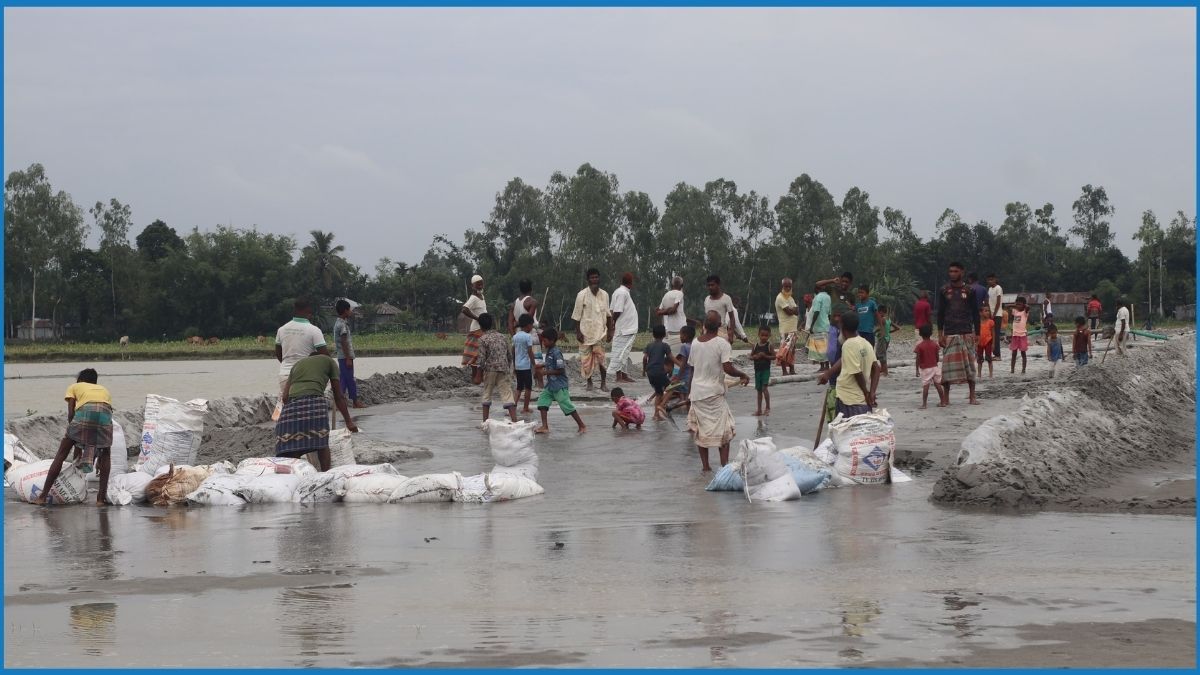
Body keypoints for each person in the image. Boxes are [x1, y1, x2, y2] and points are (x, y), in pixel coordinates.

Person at [32, 369, 113, 506]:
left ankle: (42, 496)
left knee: (61, 454)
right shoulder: (103, 389)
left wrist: (72, 435)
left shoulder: (74, 387)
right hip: (105, 415)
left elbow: (71, 413)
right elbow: (104, 412)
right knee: (106, 454)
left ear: (80, 379)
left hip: (85, 412)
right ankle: (100, 499)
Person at [686, 311, 750, 472]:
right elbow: (727, 368)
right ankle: (724, 467)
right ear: (720, 325)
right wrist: (742, 374)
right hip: (714, 394)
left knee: (701, 432)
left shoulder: (695, 343)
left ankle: (706, 467)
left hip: (698, 393)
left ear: (704, 325)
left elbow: (691, 370)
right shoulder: (723, 344)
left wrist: (689, 392)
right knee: (725, 431)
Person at [275, 350, 358, 472]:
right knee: (322, 443)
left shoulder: (297, 365)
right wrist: (349, 422)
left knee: (292, 448)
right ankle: (325, 475)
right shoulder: (329, 361)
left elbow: (285, 397)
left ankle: (292, 478)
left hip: (291, 408)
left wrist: (294, 413)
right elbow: (338, 395)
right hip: (315, 402)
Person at [275, 298, 330, 417]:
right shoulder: (314, 330)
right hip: (306, 378)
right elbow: (325, 357)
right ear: (308, 310)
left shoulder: (282, 330)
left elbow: (279, 355)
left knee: (290, 412)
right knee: (306, 413)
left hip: (284, 375)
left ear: (295, 310)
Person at [823, 312, 880, 419]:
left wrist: (867, 392)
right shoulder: (865, 343)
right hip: (862, 402)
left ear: (842, 326)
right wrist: (872, 392)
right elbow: (876, 368)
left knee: (846, 432)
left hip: (849, 400)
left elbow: (856, 372)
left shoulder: (848, 345)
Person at [939, 262, 981, 405]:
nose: (952, 274)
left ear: (962, 272)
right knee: (946, 367)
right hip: (949, 332)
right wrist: (940, 334)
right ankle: (946, 398)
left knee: (970, 365)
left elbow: (976, 312)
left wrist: (978, 333)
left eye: (955, 271)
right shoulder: (944, 290)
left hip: (966, 331)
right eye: (950, 271)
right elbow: (940, 313)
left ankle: (972, 396)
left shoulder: (970, 291)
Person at [534, 327, 586, 434]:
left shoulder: (557, 353)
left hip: (559, 386)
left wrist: (545, 372)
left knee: (566, 405)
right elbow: (549, 364)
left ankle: (582, 425)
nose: (543, 343)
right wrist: (542, 365)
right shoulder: (549, 352)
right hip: (550, 386)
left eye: (545, 341)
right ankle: (545, 426)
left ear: (552, 340)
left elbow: (560, 370)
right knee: (542, 402)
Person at [572, 268, 612, 391]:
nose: (595, 279)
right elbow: (576, 316)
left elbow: (608, 314)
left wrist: (611, 331)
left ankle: (603, 383)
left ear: (599, 278)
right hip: (585, 333)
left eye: (596, 277)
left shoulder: (604, 294)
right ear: (588, 279)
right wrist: (578, 332)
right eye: (592, 277)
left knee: (601, 359)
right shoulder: (581, 295)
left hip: (600, 333)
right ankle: (589, 382)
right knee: (586, 360)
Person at [473, 313, 518, 424]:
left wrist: (478, 374)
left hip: (490, 370)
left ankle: (485, 422)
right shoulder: (502, 336)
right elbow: (509, 355)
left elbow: (481, 359)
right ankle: (515, 421)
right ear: (492, 324)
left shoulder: (482, 339)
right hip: (503, 369)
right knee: (507, 394)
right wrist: (509, 368)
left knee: (487, 394)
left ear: (480, 326)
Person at [333, 299, 365, 409]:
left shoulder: (339, 323)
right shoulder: (342, 325)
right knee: (349, 379)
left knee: (344, 379)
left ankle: (340, 401)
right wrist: (348, 358)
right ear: (345, 311)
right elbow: (344, 342)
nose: (351, 312)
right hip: (345, 356)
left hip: (342, 356)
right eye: (350, 310)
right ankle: (354, 402)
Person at [607, 272, 639, 384]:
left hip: (627, 328)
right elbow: (617, 310)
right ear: (630, 283)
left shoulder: (620, 292)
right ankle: (618, 377)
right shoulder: (622, 293)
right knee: (619, 353)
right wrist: (613, 323)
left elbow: (611, 309)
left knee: (624, 353)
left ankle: (624, 375)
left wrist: (612, 322)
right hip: (623, 329)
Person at [642, 325, 673, 421]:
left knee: (659, 393)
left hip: (650, 372)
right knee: (671, 388)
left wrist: (644, 370)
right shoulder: (665, 346)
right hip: (659, 371)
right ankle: (661, 405)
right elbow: (671, 358)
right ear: (664, 334)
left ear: (653, 334)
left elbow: (644, 358)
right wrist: (680, 364)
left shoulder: (649, 345)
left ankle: (656, 415)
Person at [914, 325, 948, 409]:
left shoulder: (919, 346)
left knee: (926, 386)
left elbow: (917, 359)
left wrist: (917, 370)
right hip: (935, 367)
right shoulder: (934, 344)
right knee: (938, 385)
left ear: (920, 334)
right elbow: (937, 357)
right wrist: (935, 362)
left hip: (926, 368)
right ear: (931, 333)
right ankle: (943, 401)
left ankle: (924, 404)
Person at [460, 275, 488, 377]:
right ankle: (474, 376)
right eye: (478, 284)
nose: (480, 286)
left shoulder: (481, 296)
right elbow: (464, 309)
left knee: (480, 354)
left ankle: (478, 376)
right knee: (476, 354)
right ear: (473, 286)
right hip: (477, 329)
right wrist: (478, 318)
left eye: (481, 284)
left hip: (483, 328)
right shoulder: (473, 298)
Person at [665, 324, 696, 414]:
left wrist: (678, 378)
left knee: (677, 392)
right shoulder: (695, 345)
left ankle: (681, 410)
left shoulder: (684, 347)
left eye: (681, 335)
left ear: (685, 336)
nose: (680, 337)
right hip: (692, 376)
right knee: (687, 395)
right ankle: (687, 411)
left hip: (685, 377)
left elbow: (683, 365)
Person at [774, 278, 800, 376]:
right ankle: (784, 371)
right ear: (782, 286)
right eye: (786, 286)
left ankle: (792, 369)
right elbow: (789, 312)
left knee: (792, 350)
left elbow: (797, 312)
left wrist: (792, 309)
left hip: (793, 329)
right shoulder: (780, 298)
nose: (788, 288)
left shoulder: (790, 298)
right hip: (785, 328)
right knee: (784, 350)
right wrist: (792, 309)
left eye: (789, 286)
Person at [512, 314, 537, 414]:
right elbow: (530, 352)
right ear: (528, 325)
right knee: (528, 388)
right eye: (531, 325)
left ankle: (513, 406)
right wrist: (534, 364)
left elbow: (513, 351)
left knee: (519, 387)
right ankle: (525, 408)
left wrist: (514, 366)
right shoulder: (528, 337)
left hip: (518, 366)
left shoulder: (515, 336)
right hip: (526, 366)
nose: (532, 327)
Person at [702, 275, 738, 343]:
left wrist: (731, 333)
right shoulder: (706, 299)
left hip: (721, 332)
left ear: (718, 285)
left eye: (712, 285)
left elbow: (732, 318)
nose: (710, 287)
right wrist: (702, 331)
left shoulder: (726, 298)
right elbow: (706, 317)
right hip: (707, 332)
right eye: (708, 285)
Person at [656, 276, 687, 352]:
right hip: (680, 330)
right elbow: (673, 310)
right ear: (682, 286)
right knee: (682, 354)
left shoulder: (666, 295)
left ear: (671, 285)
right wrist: (670, 310)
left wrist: (664, 311)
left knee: (669, 355)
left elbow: (658, 311)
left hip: (669, 330)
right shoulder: (680, 293)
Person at [750, 325, 775, 416]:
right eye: (762, 335)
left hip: (765, 370)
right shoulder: (755, 345)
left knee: (764, 388)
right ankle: (759, 410)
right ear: (758, 335)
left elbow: (774, 357)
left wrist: (765, 356)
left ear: (769, 336)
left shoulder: (769, 345)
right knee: (759, 390)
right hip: (757, 371)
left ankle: (767, 407)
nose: (764, 337)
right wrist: (755, 357)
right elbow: (750, 356)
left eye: (766, 336)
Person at [806, 283, 832, 369]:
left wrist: (812, 325)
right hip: (826, 326)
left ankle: (822, 367)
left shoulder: (817, 298)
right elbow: (829, 314)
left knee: (819, 348)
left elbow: (816, 311)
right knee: (826, 348)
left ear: (817, 289)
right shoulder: (828, 297)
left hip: (819, 326)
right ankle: (827, 366)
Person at [1009, 296, 1030, 374]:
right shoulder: (1014, 311)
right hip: (1015, 335)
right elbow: (1012, 318)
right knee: (1014, 353)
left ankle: (1023, 369)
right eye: (1016, 304)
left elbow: (1028, 307)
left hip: (1022, 335)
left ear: (1024, 305)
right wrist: (1015, 306)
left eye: (1020, 304)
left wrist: (1019, 305)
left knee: (1023, 353)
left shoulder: (1025, 312)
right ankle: (1012, 369)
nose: (1017, 306)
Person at [986, 274, 1004, 360]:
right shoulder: (989, 289)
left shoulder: (998, 288)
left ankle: (998, 355)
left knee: (996, 334)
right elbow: (989, 302)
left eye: (992, 280)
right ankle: (993, 353)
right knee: (991, 335)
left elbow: (998, 302)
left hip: (997, 315)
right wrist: (989, 312)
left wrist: (994, 313)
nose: (990, 281)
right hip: (990, 314)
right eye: (989, 280)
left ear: (995, 280)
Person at [875, 305, 894, 377]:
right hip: (887, 339)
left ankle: (885, 372)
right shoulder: (888, 320)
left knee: (882, 356)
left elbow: (879, 328)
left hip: (882, 339)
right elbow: (897, 328)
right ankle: (882, 369)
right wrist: (889, 332)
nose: (878, 315)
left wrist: (873, 332)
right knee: (879, 355)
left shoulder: (882, 319)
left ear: (881, 312)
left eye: (879, 313)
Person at [976, 307, 995, 378]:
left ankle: (990, 374)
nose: (988, 312)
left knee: (989, 357)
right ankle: (979, 374)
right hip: (979, 342)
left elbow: (993, 333)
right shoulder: (977, 322)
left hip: (988, 341)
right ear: (980, 313)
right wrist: (975, 343)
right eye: (986, 311)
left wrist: (993, 343)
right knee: (979, 358)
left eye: (988, 311)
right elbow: (976, 333)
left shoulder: (991, 322)